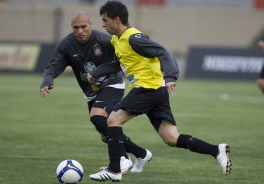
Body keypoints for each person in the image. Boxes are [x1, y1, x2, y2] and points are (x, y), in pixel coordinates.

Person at [88, 1, 232, 182]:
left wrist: (171, 76)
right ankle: (216, 150)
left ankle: (114, 169)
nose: (103, 24)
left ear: (117, 20)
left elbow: (163, 51)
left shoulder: (134, 37)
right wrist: (96, 72)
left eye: (105, 20)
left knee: (113, 120)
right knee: (171, 137)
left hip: (147, 89)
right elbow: (119, 64)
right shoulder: (118, 40)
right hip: (155, 92)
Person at [40, 11, 152, 174]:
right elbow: (53, 65)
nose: (80, 31)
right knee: (105, 134)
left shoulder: (104, 40)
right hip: (90, 92)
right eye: (76, 28)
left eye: (83, 27)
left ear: (90, 25)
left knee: (97, 116)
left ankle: (123, 159)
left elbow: (125, 54)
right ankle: (141, 154)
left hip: (112, 84)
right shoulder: (67, 45)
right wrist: (47, 80)